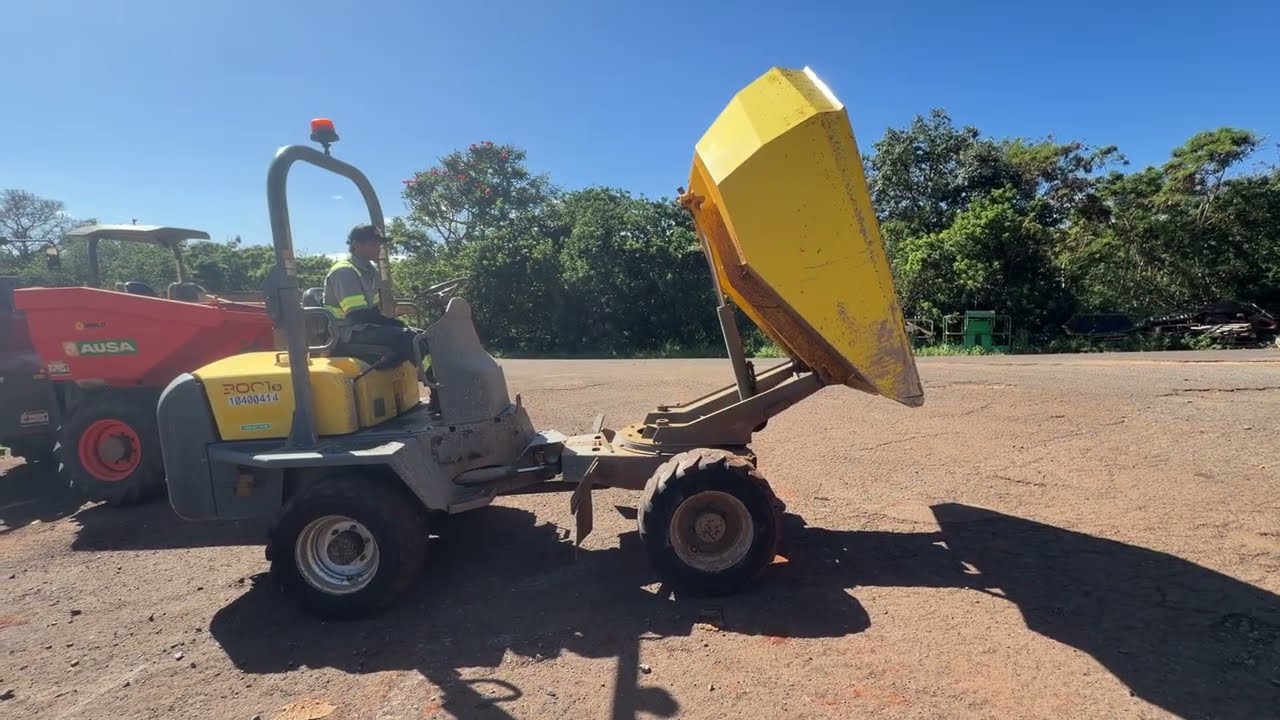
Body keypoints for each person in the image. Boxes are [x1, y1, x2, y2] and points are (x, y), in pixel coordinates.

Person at [324, 223, 419, 368]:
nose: (378, 248)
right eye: (373, 244)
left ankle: (431, 381)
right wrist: (394, 324)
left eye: (379, 244)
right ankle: (430, 382)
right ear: (356, 245)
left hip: (364, 328)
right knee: (409, 337)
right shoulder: (344, 272)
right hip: (347, 332)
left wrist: (392, 321)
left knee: (424, 336)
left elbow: (373, 310)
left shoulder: (370, 272)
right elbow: (357, 315)